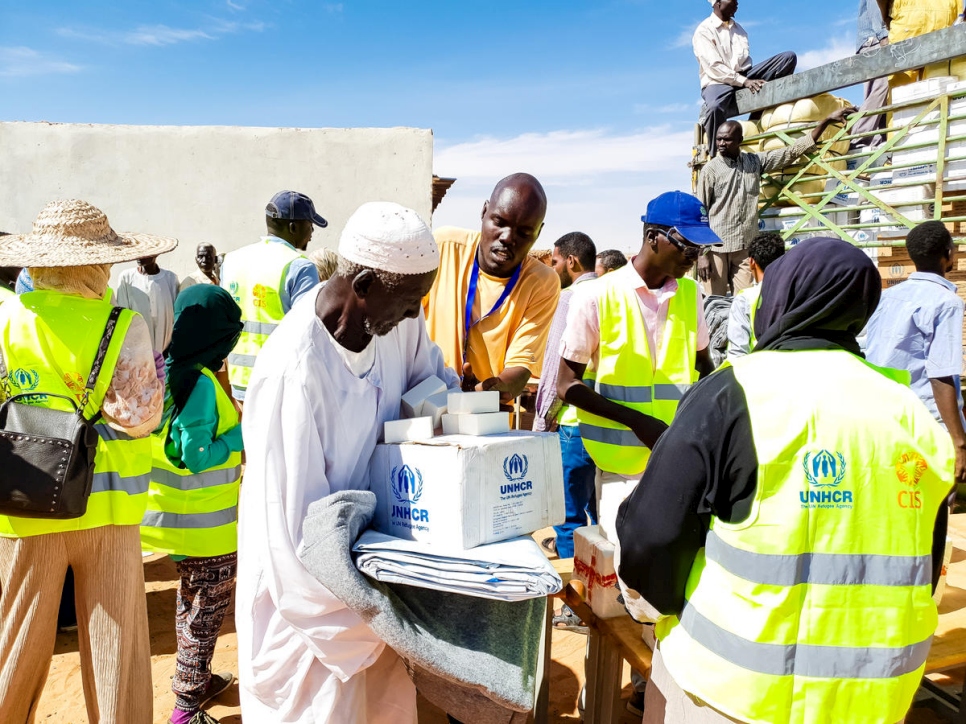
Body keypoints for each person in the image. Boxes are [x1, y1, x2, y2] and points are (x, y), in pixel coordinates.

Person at [616, 237, 953, 724]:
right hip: (873, 698)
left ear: (783, 297)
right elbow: (928, 562)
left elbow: (650, 536)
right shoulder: (912, 414)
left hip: (730, 690)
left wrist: (666, 610)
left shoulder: (734, 392)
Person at [235, 202, 460, 723]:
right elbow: (291, 537)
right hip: (312, 610)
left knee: (384, 709)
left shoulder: (396, 323)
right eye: (406, 304)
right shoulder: (291, 372)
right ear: (361, 284)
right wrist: (371, 618)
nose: (412, 317)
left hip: (379, 581)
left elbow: (433, 385)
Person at [0, 199, 169, 723]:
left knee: (14, 644)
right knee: (116, 652)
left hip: (22, 503)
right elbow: (142, 417)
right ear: (94, 264)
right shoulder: (124, 324)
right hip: (111, 508)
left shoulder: (7, 318)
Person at [557, 191, 719, 715]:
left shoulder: (691, 295)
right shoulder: (596, 297)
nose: (693, 257)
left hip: (678, 463)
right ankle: (605, 690)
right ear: (654, 237)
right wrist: (638, 422)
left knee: (672, 580)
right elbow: (565, 385)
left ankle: (654, 684)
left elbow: (702, 367)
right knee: (631, 585)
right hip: (622, 465)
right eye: (686, 246)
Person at [140, 285, 245, 724]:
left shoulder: (168, 371)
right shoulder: (199, 386)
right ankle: (184, 711)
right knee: (204, 615)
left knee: (190, 604)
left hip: (179, 524)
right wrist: (240, 435)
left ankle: (196, 680)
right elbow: (196, 455)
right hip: (207, 529)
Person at [424, 173, 560, 404]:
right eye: (499, 222)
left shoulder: (542, 282)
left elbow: (521, 364)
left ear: (539, 232)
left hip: (484, 419)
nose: (507, 238)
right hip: (422, 404)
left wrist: (494, 390)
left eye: (524, 232)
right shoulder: (444, 246)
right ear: (484, 211)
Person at [696, 106, 855, 296]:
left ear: (740, 141)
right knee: (715, 302)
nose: (721, 143)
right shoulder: (710, 170)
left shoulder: (753, 162)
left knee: (745, 301)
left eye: (727, 139)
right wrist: (701, 254)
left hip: (745, 248)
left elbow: (792, 151)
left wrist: (827, 120)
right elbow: (700, 212)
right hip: (716, 249)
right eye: (719, 139)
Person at [866, 221, 966, 497]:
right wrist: (959, 442)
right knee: (932, 509)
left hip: (883, 418)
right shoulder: (946, 302)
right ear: (948, 254)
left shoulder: (887, 297)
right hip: (926, 425)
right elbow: (941, 373)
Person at [220, 190, 325, 401]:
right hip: (279, 383)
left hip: (237, 381)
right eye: (310, 223)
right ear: (293, 227)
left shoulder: (231, 261)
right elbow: (309, 333)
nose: (312, 231)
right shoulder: (300, 266)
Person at [534, 233, 598, 562]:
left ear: (571, 262)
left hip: (574, 423)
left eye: (556, 262)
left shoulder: (570, 298)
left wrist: (543, 420)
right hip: (611, 423)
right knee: (601, 517)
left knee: (569, 518)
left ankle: (576, 601)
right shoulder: (613, 294)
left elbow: (553, 370)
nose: (553, 268)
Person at [693, 0, 798, 157]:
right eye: (732, 0)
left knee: (787, 58)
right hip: (718, 81)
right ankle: (718, 158)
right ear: (718, 3)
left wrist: (746, 79)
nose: (737, 2)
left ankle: (757, 119)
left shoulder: (739, 30)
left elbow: (744, 64)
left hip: (744, 75)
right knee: (714, 107)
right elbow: (714, 67)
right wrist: (745, 82)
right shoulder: (704, 30)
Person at [726, 231, 785, 360]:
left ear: (751, 262)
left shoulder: (744, 299)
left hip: (756, 372)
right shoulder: (797, 291)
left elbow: (737, 353)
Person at [116, 254, 180, 354]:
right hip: (137, 351)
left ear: (156, 254)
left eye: (144, 253)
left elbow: (176, 315)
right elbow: (123, 315)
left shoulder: (170, 278)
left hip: (166, 351)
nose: (139, 256)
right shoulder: (126, 278)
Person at [851, 0, 892, 150]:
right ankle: (859, 136)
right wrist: (883, 36)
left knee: (879, 93)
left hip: (871, 42)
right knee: (881, 87)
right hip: (874, 42)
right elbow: (876, 8)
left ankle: (879, 138)